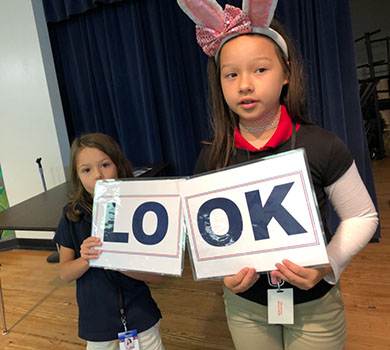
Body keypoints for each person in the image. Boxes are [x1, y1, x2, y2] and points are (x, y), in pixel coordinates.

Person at [177, 1, 379, 349]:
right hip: (246, 307)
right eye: (231, 74)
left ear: (285, 72)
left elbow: (362, 216)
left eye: (259, 70)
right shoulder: (212, 157)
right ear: (219, 82)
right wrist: (220, 273)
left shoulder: (321, 145)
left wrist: (327, 266)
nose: (244, 85)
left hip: (315, 306)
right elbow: (203, 234)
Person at [54, 133, 165, 350]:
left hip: (140, 317)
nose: (98, 175)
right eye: (86, 170)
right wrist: (87, 259)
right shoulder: (72, 216)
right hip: (97, 324)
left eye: (105, 165)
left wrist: (121, 263)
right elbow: (65, 273)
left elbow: (157, 276)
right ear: (77, 176)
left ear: (118, 165)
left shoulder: (139, 211)